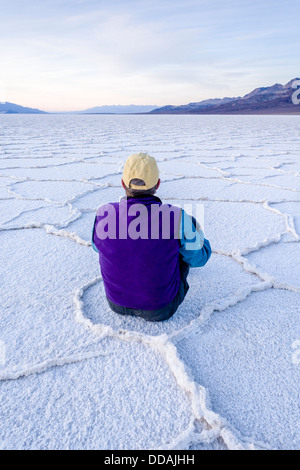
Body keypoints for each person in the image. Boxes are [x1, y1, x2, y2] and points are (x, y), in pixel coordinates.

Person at [92, 152, 211, 322]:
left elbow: (97, 247)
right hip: (161, 309)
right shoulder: (176, 217)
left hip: (115, 303)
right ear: (158, 184)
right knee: (181, 240)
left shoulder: (104, 214)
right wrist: (196, 233)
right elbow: (199, 260)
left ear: (123, 184)